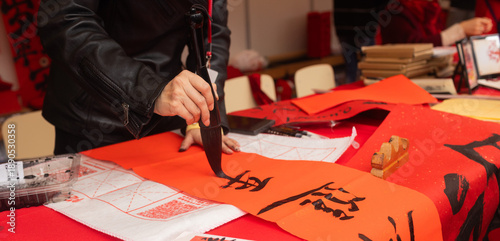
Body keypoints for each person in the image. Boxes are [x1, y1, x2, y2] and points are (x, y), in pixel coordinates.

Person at [37, 0, 240, 155]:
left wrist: (203, 116)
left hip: (167, 115)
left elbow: (213, 31)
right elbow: (66, 20)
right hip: (93, 116)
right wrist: (150, 92)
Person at [380, 0, 493, 46]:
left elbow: (437, 39)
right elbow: (415, 47)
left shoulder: (431, 7)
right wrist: (461, 30)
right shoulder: (395, 11)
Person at [333, 0, 389, 83]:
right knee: (369, 70)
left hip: (344, 24)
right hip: (364, 25)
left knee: (351, 71)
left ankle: (350, 93)